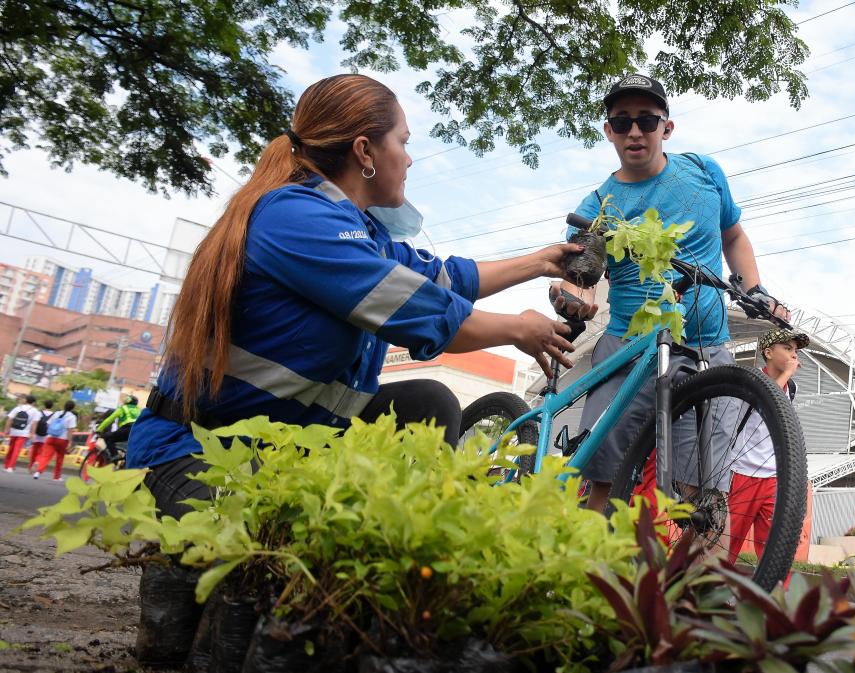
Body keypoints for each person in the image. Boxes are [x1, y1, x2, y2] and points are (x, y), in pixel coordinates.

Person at [127, 73, 594, 522]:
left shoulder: (361, 232)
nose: (409, 160)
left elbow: (444, 279)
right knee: (244, 597)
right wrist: (517, 328)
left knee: (427, 403)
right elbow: (415, 308)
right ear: (365, 151)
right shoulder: (295, 217)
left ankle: (403, 537)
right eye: (404, 142)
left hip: (281, 449)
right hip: (199, 455)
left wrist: (543, 260)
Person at [550, 74, 789, 512]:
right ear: (608, 131)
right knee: (602, 479)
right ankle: (584, 569)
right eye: (621, 122)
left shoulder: (703, 172)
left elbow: (733, 236)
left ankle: (688, 579)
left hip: (706, 349)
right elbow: (580, 274)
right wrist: (573, 297)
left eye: (646, 119)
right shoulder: (598, 206)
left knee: (703, 498)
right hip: (629, 349)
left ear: (667, 127)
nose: (635, 131)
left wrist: (757, 290)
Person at [726, 328, 808, 564]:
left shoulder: (791, 388)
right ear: (769, 352)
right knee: (728, 542)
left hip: (772, 477)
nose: (794, 355)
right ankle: (711, 590)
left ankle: (773, 595)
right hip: (742, 472)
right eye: (787, 348)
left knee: (775, 546)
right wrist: (787, 375)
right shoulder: (752, 378)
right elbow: (766, 400)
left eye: (795, 350)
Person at [34, 399, 76, 481]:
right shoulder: (72, 416)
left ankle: (38, 472)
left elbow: (48, 423)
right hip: (62, 440)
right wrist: (70, 441)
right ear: (72, 408)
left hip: (51, 438)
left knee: (46, 456)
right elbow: (70, 430)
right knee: (60, 458)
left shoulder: (57, 413)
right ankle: (56, 477)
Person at [3, 394, 41, 473]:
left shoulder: (18, 408)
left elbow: (9, 419)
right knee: (17, 449)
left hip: (13, 431)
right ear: (34, 402)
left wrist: (6, 429)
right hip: (24, 433)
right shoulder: (35, 411)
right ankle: (10, 466)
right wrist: (32, 433)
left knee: (11, 448)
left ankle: (6, 465)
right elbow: (34, 423)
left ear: (26, 400)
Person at [96, 394, 140, 461]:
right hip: (138, 431)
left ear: (127, 401)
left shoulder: (122, 408)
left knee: (108, 438)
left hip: (127, 429)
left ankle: (115, 455)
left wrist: (99, 429)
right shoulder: (138, 410)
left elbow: (109, 419)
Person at [27, 399, 54, 472]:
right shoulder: (53, 415)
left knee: (34, 451)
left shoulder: (39, 413)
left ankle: (30, 467)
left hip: (37, 435)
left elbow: (35, 423)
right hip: (46, 436)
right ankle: (37, 461)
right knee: (42, 452)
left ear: (44, 405)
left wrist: (32, 433)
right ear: (52, 406)